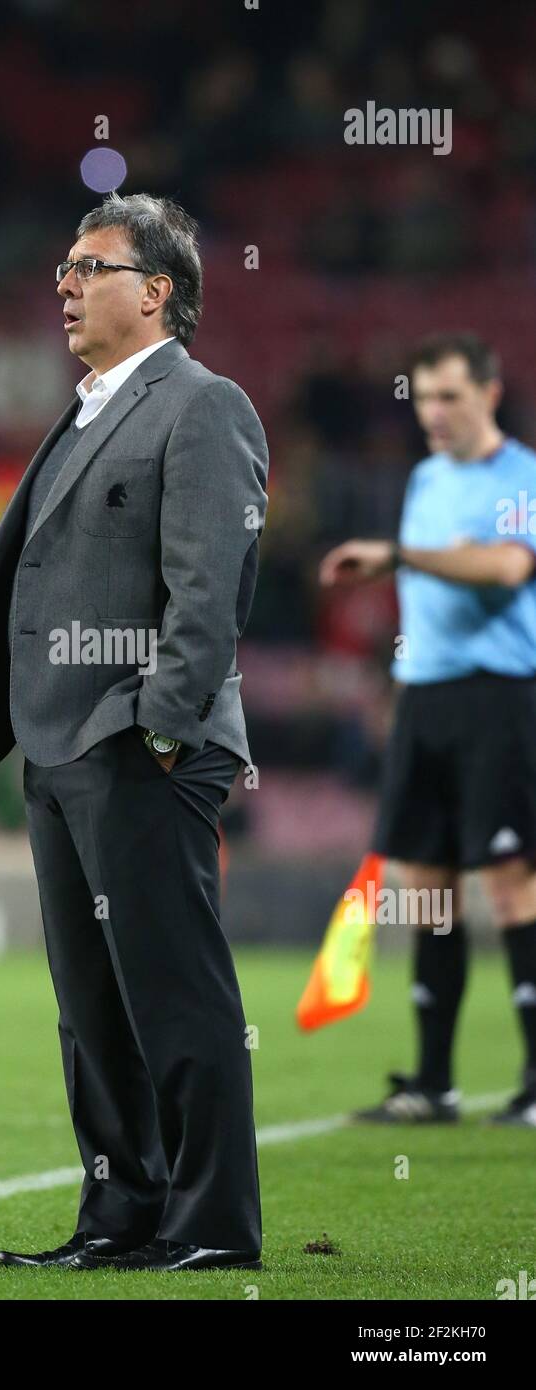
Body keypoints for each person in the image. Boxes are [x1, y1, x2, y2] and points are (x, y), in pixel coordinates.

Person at [0, 191, 269, 1270]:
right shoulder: (87, 407)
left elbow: (207, 584)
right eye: (64, 267)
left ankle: (211, 1225)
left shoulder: (203, 404)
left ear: (155, 291)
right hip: (57, 744)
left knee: (172, 989)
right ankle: (118, 1213)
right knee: (89, 1004)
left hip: (137, 738)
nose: (65, 285)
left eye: (89, 267)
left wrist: (163, 728)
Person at [319, 333, 536, 1128]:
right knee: (426, 887)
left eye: (449, 396)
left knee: (512, 883)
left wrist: (400, 555)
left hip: (499, 695)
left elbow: (510, 568)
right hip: (424, 697)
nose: (433, 413)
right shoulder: (424, 479)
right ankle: (434, 1083)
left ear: (490, 390)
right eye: (425, 397)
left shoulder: (522, 478)